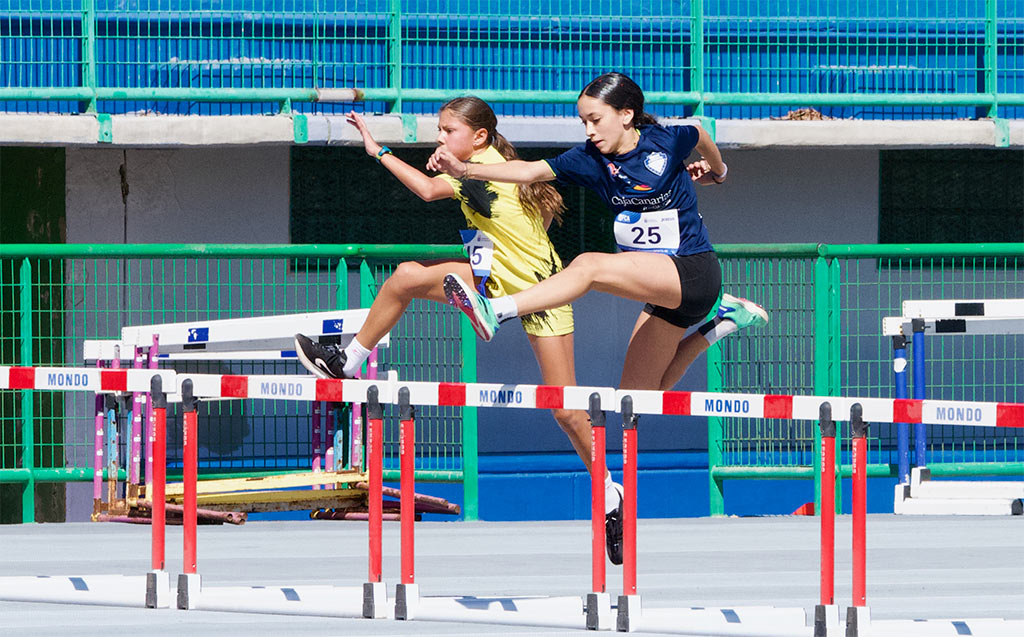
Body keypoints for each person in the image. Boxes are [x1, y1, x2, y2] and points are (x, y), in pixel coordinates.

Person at [429, 74, 769, 560]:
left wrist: (717, 171)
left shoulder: (666, 140)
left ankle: (497, 308)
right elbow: (526, 173)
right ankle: (721, 323)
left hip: (693, 271)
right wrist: (465, 171)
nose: (588, 130)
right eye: (582, 120)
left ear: (626, 114)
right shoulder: (586, 159)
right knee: (636, 404)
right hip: (665, 294)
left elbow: (702, 133)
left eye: (595, 119)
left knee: (587, 265)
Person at [294, 97, 632, 561]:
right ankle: (346, 361)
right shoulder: (481, 164)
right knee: (406, 277)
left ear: (479, 137)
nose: (440, 138)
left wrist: (379, 152)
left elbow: (431, 191)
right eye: (439, 130)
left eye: (448, 130)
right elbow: (531, 212)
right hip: (490, 277)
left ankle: (609, 491)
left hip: (541, 292)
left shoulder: (482, 169)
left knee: (567, 411)